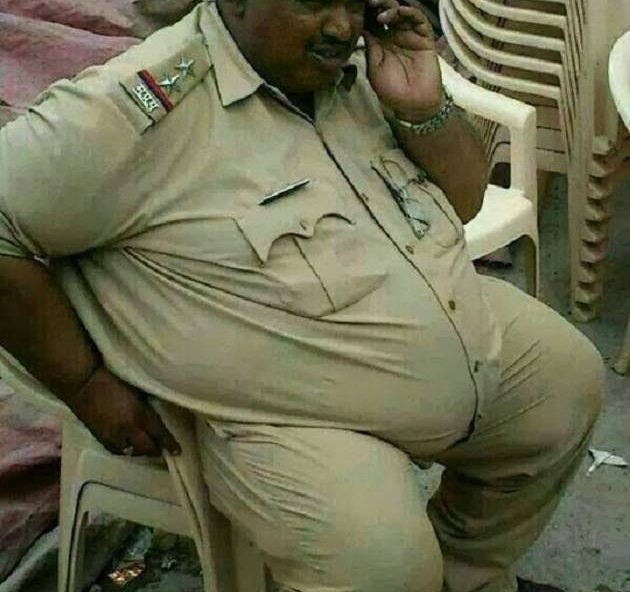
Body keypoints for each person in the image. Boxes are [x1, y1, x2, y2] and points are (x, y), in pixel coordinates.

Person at [0, 0, 604, 591]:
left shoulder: (358, 67)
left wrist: (425, 110)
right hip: (284, 408)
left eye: (354, 2)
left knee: (567, 381)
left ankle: (460, 575)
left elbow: (466, 202)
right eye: (314, 3)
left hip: (430, 305)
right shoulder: (140, 107)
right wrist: (84, 383)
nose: (341, 26)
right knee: (382, 567)